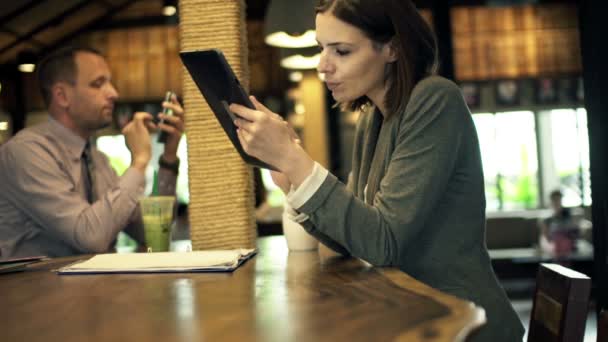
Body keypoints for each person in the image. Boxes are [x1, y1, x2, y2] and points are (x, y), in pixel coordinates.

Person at [229, 0, 524, 340]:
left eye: (341, 51)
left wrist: (298, 163)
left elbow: (383, 243)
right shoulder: (374, 119)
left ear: (393, 49)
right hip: (413, 318)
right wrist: (290, 173)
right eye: (321, 48)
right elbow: (353, 241)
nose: (323, 66)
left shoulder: (435, 100)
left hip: (463, 324)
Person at [0, 46, 185, 258]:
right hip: (35, 289)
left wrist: (169, 158)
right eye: (98, 84)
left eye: (110, 83)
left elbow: (147, 232)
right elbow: (90, 237)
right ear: (62, 96)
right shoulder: (26, 153)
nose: (114, 93)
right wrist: (139, 161)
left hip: (91, 288)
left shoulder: (98, 160)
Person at [540, 190, 581, 258]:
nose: (557, 202)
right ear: (551, 201)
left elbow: (574, 231)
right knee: (556, 245)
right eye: (554, 200)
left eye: (558, 200)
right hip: (553, 243)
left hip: (566, 242)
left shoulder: (568, 214)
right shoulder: (547, 219)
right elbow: (546, 237)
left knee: (564, 244)